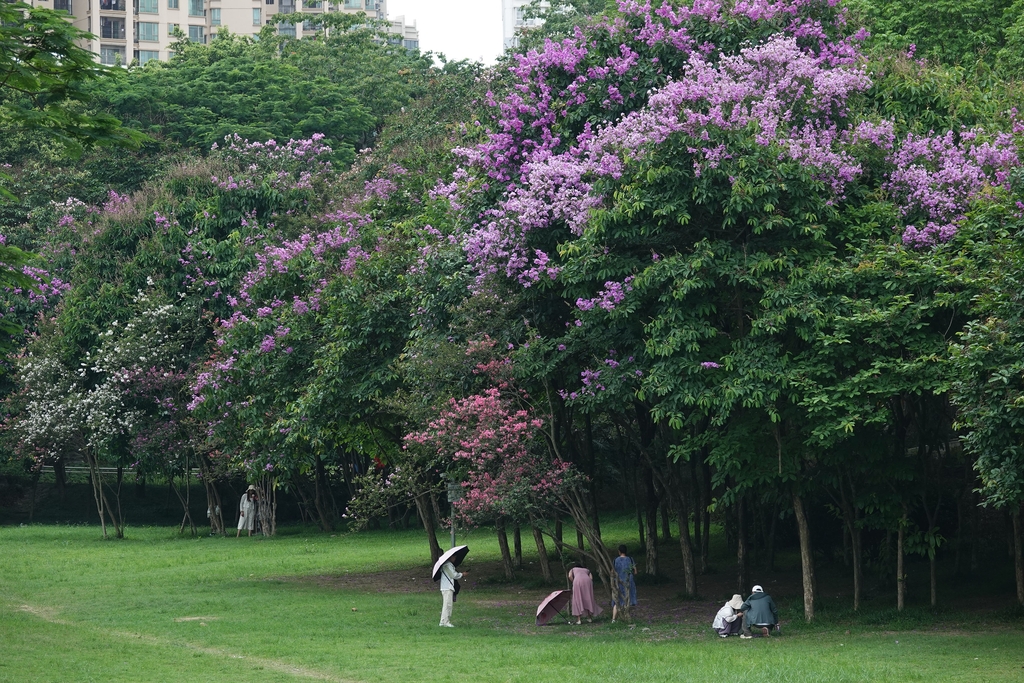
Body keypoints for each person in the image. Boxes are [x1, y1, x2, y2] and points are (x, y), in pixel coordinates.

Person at [611, 544, 637, 623]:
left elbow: (612, 572)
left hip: (618, 582)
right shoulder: (630, 559)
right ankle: (626, 616)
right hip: (628, 582)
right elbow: (635, 571)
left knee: (617, 600)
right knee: (628, 598)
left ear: (619, 551)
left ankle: (614, 619)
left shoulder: (616, 560)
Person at [438, 560, 467, 627]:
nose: (455, 558)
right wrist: (462, 574)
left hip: (446, 587)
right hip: (447, 587)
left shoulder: (447, 565)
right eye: (454, 557)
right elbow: (453, 575)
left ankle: (443, 621)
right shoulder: (447, 565)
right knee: (448, 605)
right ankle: (446, 622)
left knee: (446, 604)